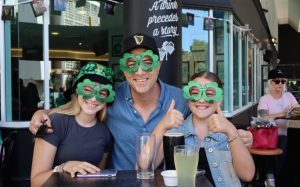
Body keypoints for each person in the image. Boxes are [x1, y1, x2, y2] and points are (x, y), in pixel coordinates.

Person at [29, 33, 253, 170]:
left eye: (147, 62)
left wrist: (237, 135)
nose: (139, 71)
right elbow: (84, 104)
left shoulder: (180, 98)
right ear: (124, 70)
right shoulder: (111, 97)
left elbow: (206, 107)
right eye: (131, 64)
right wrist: (45, 113)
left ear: (158, 65)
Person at [153, 72, 255, 186]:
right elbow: (146, 166)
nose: (201, 100)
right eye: (195, 93)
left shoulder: (232, 134)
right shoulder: (173, 134)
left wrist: (231, 131)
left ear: (219, 99)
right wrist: (162, 125)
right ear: (188, 99)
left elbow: (247, 175)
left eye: (209, 94)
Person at [31, 62, 115, 187]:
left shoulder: (105, 132)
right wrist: (63, 168)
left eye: (102, 93)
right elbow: (36, 182)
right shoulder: (53, 122)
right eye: (87, 90)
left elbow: (98, 178)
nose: (93, 98)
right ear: (76, 91)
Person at [257, 69, 299, 187]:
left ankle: (273, 179)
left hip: (284, 133)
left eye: (283, 81)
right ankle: (270, 178)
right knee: (273, 157)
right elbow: (263, 118)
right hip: (268, 135)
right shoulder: (265, 99)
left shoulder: (289, 96)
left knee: (282, 159)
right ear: (270, 83)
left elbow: (297, 109)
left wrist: (293, 111)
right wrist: (281, 114)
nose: (280, 83)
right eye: (277, 81)